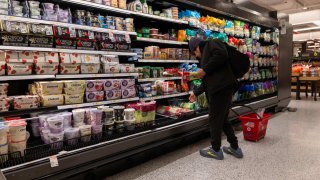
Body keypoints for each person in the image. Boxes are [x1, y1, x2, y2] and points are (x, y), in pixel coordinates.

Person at [189, 37, 243, 160]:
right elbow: (207, 80)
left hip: (221, 89)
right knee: (223, 119)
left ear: (197, 47)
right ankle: (235, 148)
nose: (196, 55)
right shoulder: (206, 59)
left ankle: (215, 149)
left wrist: (204, 70)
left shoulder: (212, 43)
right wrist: (195, 93)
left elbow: (222, 54)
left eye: (195, 52)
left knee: (214, 119)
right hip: (222, 88)